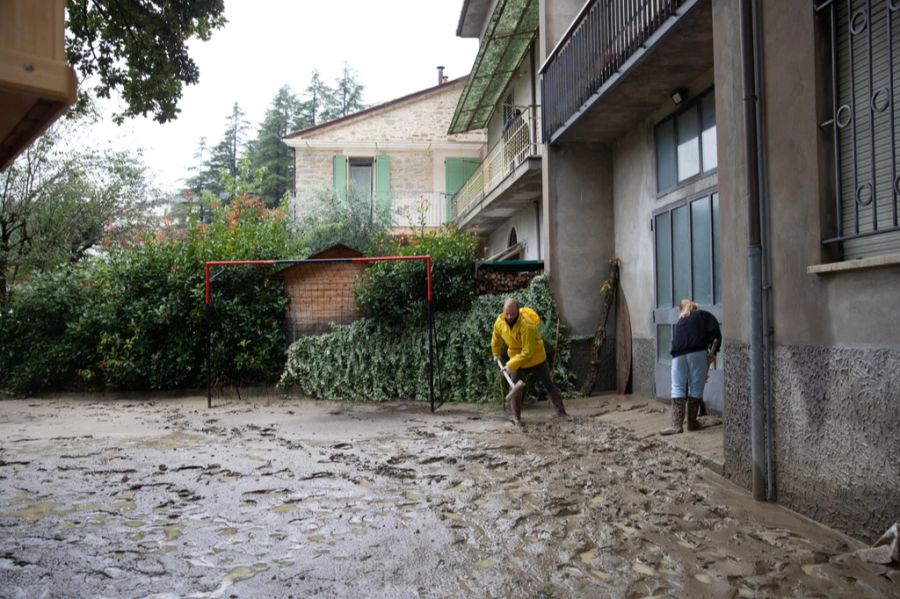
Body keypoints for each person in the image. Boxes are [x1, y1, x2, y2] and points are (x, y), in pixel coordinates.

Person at [491, 298, 567, 424]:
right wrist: (496, 353)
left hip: (535, 357)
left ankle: (562, 413)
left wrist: (509, 365)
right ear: (503, 311)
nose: (509, 317)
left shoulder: (527, 325)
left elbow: (527, 352)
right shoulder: (500, 321)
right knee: (514, 386)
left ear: (518, 311)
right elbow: (496, 337)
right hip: (516, 357)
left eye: (512, 314)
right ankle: (517, 419)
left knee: (548, 383)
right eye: (507, 313)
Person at [661, 299, 721, 435]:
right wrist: (713, 352)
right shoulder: (702, 315)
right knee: (696, 386)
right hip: (697, 351)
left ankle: (676, 425)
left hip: (677, 353)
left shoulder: (681, 320)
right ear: (695, 307)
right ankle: (692, 423)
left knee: (677, 386)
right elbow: (715, 333)